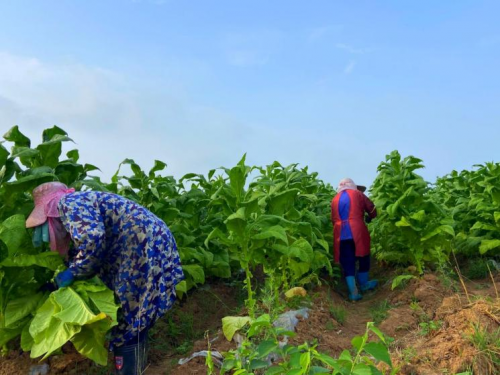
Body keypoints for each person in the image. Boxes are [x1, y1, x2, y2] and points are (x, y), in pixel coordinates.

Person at [25, 182, 184, 375]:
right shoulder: (78, 202)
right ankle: (138, 368)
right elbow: (89, 241)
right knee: (137, 311)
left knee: (130, 310)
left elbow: (92, 240)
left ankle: (129, 371)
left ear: (48, 210)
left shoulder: (67, 204)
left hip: (142, 246)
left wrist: (72, 273)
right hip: (148, 242)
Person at [331, 178, 377, 301]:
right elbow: (372, 209)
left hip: (339, 231)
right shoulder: (358, 194)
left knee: (347, 259)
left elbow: (333, 219)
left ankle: (353, 292)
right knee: (363, 256)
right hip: (357, 229)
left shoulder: (334, 199)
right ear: (352, 186)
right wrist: (370, 217)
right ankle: (364, 285)